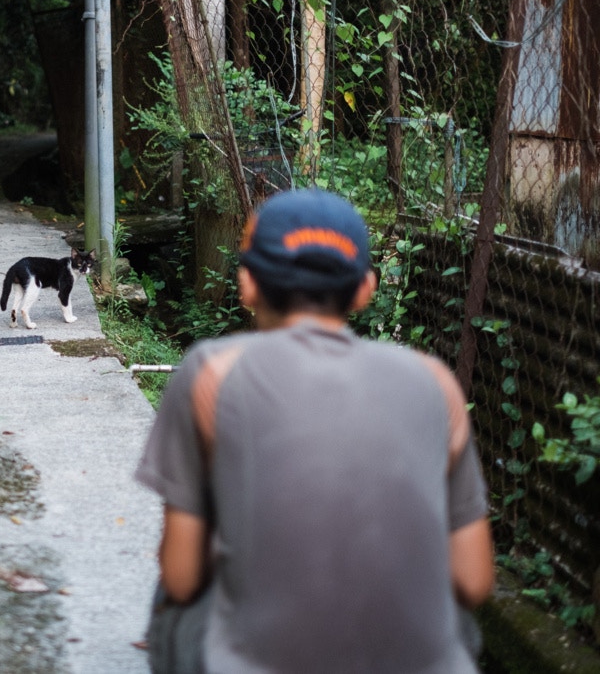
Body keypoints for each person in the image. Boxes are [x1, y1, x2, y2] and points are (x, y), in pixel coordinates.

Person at [134, 188, 494, 673]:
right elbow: (474, 580)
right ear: (365, 289)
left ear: (247, 284)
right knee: (458, 622)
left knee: (172, 590)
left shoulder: (212, 373)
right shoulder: (435, 382)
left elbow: (181, 578)